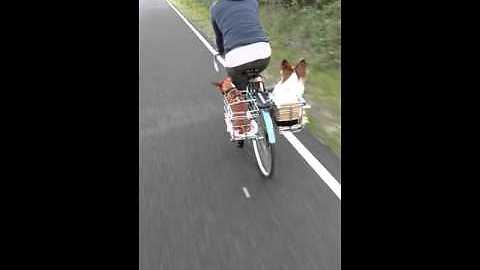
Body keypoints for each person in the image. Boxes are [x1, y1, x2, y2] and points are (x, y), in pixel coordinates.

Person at [210, 0, 271, 91]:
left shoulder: (215, 7)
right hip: (263, 52)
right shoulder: (253, 1)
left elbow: (219, 38)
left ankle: (243, 95)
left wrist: (221, 52)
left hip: (236, 58)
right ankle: (263, 93)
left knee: (240, 91)